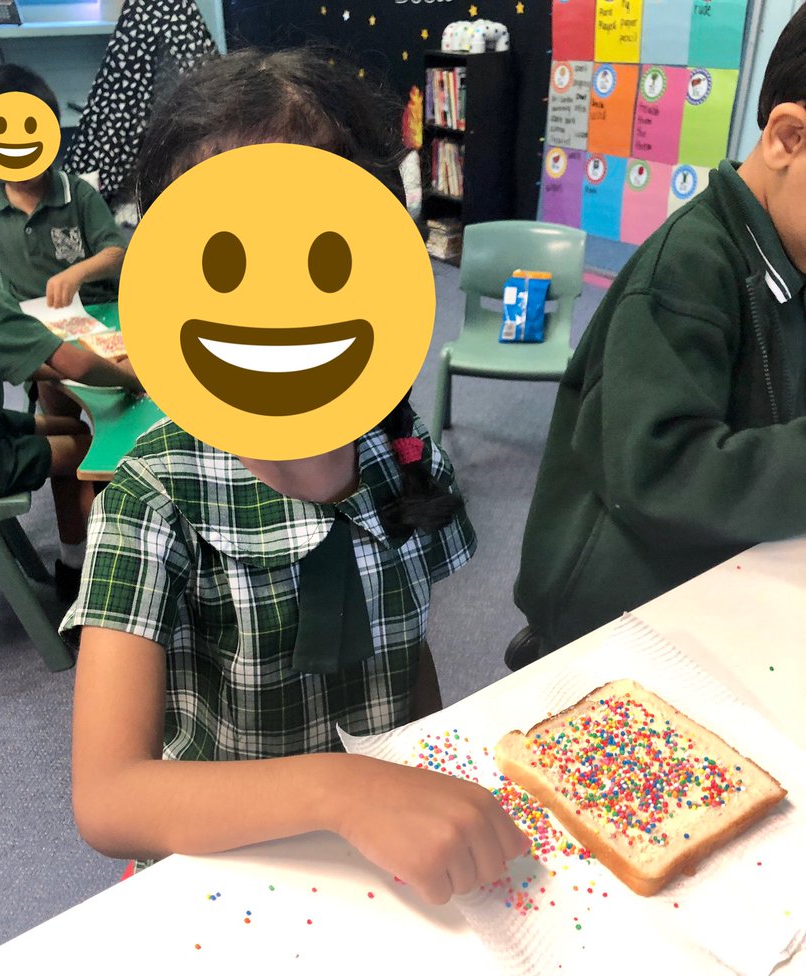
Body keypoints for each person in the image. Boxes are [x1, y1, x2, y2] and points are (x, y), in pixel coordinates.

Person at [63, 49, 527, 905]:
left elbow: (404, 642)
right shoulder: (153, 496)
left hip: (374, 866)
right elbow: (108, 797)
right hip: (225, 872)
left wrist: (416, 768)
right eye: (231, 261)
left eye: (320, 258)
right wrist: (340, 788)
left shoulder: (400, 448)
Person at [509, 7, 806, 662]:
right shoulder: (688, 270)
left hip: (727, 586)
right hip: (614, 624)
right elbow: (659, 474)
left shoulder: (793, 252)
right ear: (788, 138)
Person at [0, 89, 143, 599]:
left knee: (64, 421)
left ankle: (72, 556)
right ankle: (88, 582)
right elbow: (70, 362)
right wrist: (131, 377)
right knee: (85, 447)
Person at [0, 64, 125, 308]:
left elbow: (116, 252)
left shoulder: (78, 194)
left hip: (95, 308)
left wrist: (77, 273)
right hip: (28, 322)